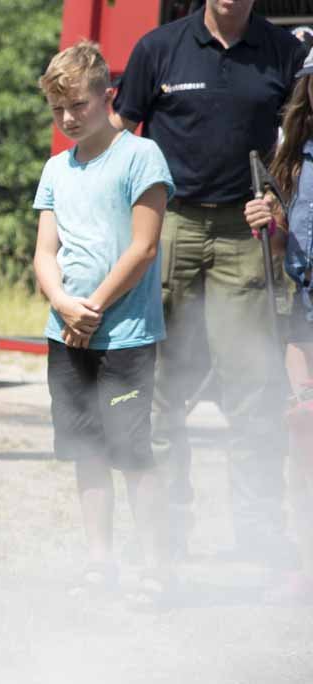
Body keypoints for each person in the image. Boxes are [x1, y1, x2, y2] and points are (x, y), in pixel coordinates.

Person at [112, 0, 307, 563]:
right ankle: (166, 539)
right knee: (162, 394)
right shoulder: (158, 49)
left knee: (253, 393)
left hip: (243, 236)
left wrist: (275, 197)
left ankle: (258, 542)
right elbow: (122, 138)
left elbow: (296, 145)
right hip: (169, 224)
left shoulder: (284, 53)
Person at [33, 41, 175, 605]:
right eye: (57, 109)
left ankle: (157, 570)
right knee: (85, 452)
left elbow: (142, 248)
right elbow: (45, 252)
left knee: (132, 453)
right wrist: (63, 304)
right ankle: (100, 564)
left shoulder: (142, 157)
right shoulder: (55, 169)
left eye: (79, 106)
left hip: (125, 337)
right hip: (65, 332)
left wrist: (89, 310)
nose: (68, 119)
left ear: (106, 96)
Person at [243, 48, 313, 603]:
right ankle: (302, 561)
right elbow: (290, 241)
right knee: (302, 438)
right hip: (303, 319)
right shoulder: (291, 157)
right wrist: (269, 221)